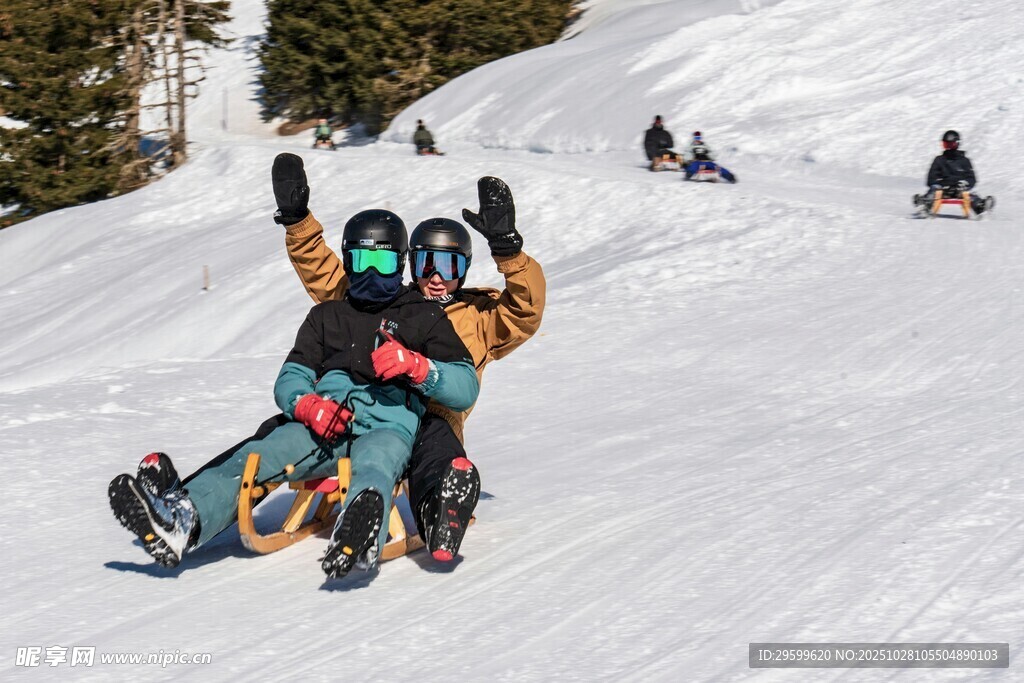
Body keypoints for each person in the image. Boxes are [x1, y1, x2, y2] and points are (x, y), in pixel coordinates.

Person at [108, 208, 480, 579]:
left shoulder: (424, 316)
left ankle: (362, 527)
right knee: (259, 453)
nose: (369, 271)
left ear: (399, 264)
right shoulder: (326, 316)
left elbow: (465, 387)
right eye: (360, 259)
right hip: (323, 424)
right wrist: (305, 404)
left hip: (387, 425)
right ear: (347, 260)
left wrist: (418, 366)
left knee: (376, 463)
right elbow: (291, 376)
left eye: (380, 260)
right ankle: (182, 520)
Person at [275, 153, 545, 563]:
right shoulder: (386, 302)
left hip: (436, 414)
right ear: (409, 264)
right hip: (376, 409)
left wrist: (508, 251)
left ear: (464, 270)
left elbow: (525, 311)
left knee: (434, 440)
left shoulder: (479, 316)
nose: (436, 276)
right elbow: (329, 277)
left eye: (449, 265)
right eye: (426, 263)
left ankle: (443, 507)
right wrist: (298, 222)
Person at [915, 130, 994, 215]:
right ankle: (925, 205)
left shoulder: (964, 161)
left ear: (957, 144)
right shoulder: (939, 160)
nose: (948, 148)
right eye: (946, 145)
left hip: (959, 189)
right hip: (942, 189)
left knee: (968, 193)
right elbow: (931, 178)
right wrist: (940, 184)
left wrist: (965, 184)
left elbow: (972, 178)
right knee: (934, 190)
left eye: (951, 145)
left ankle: (980, 206)